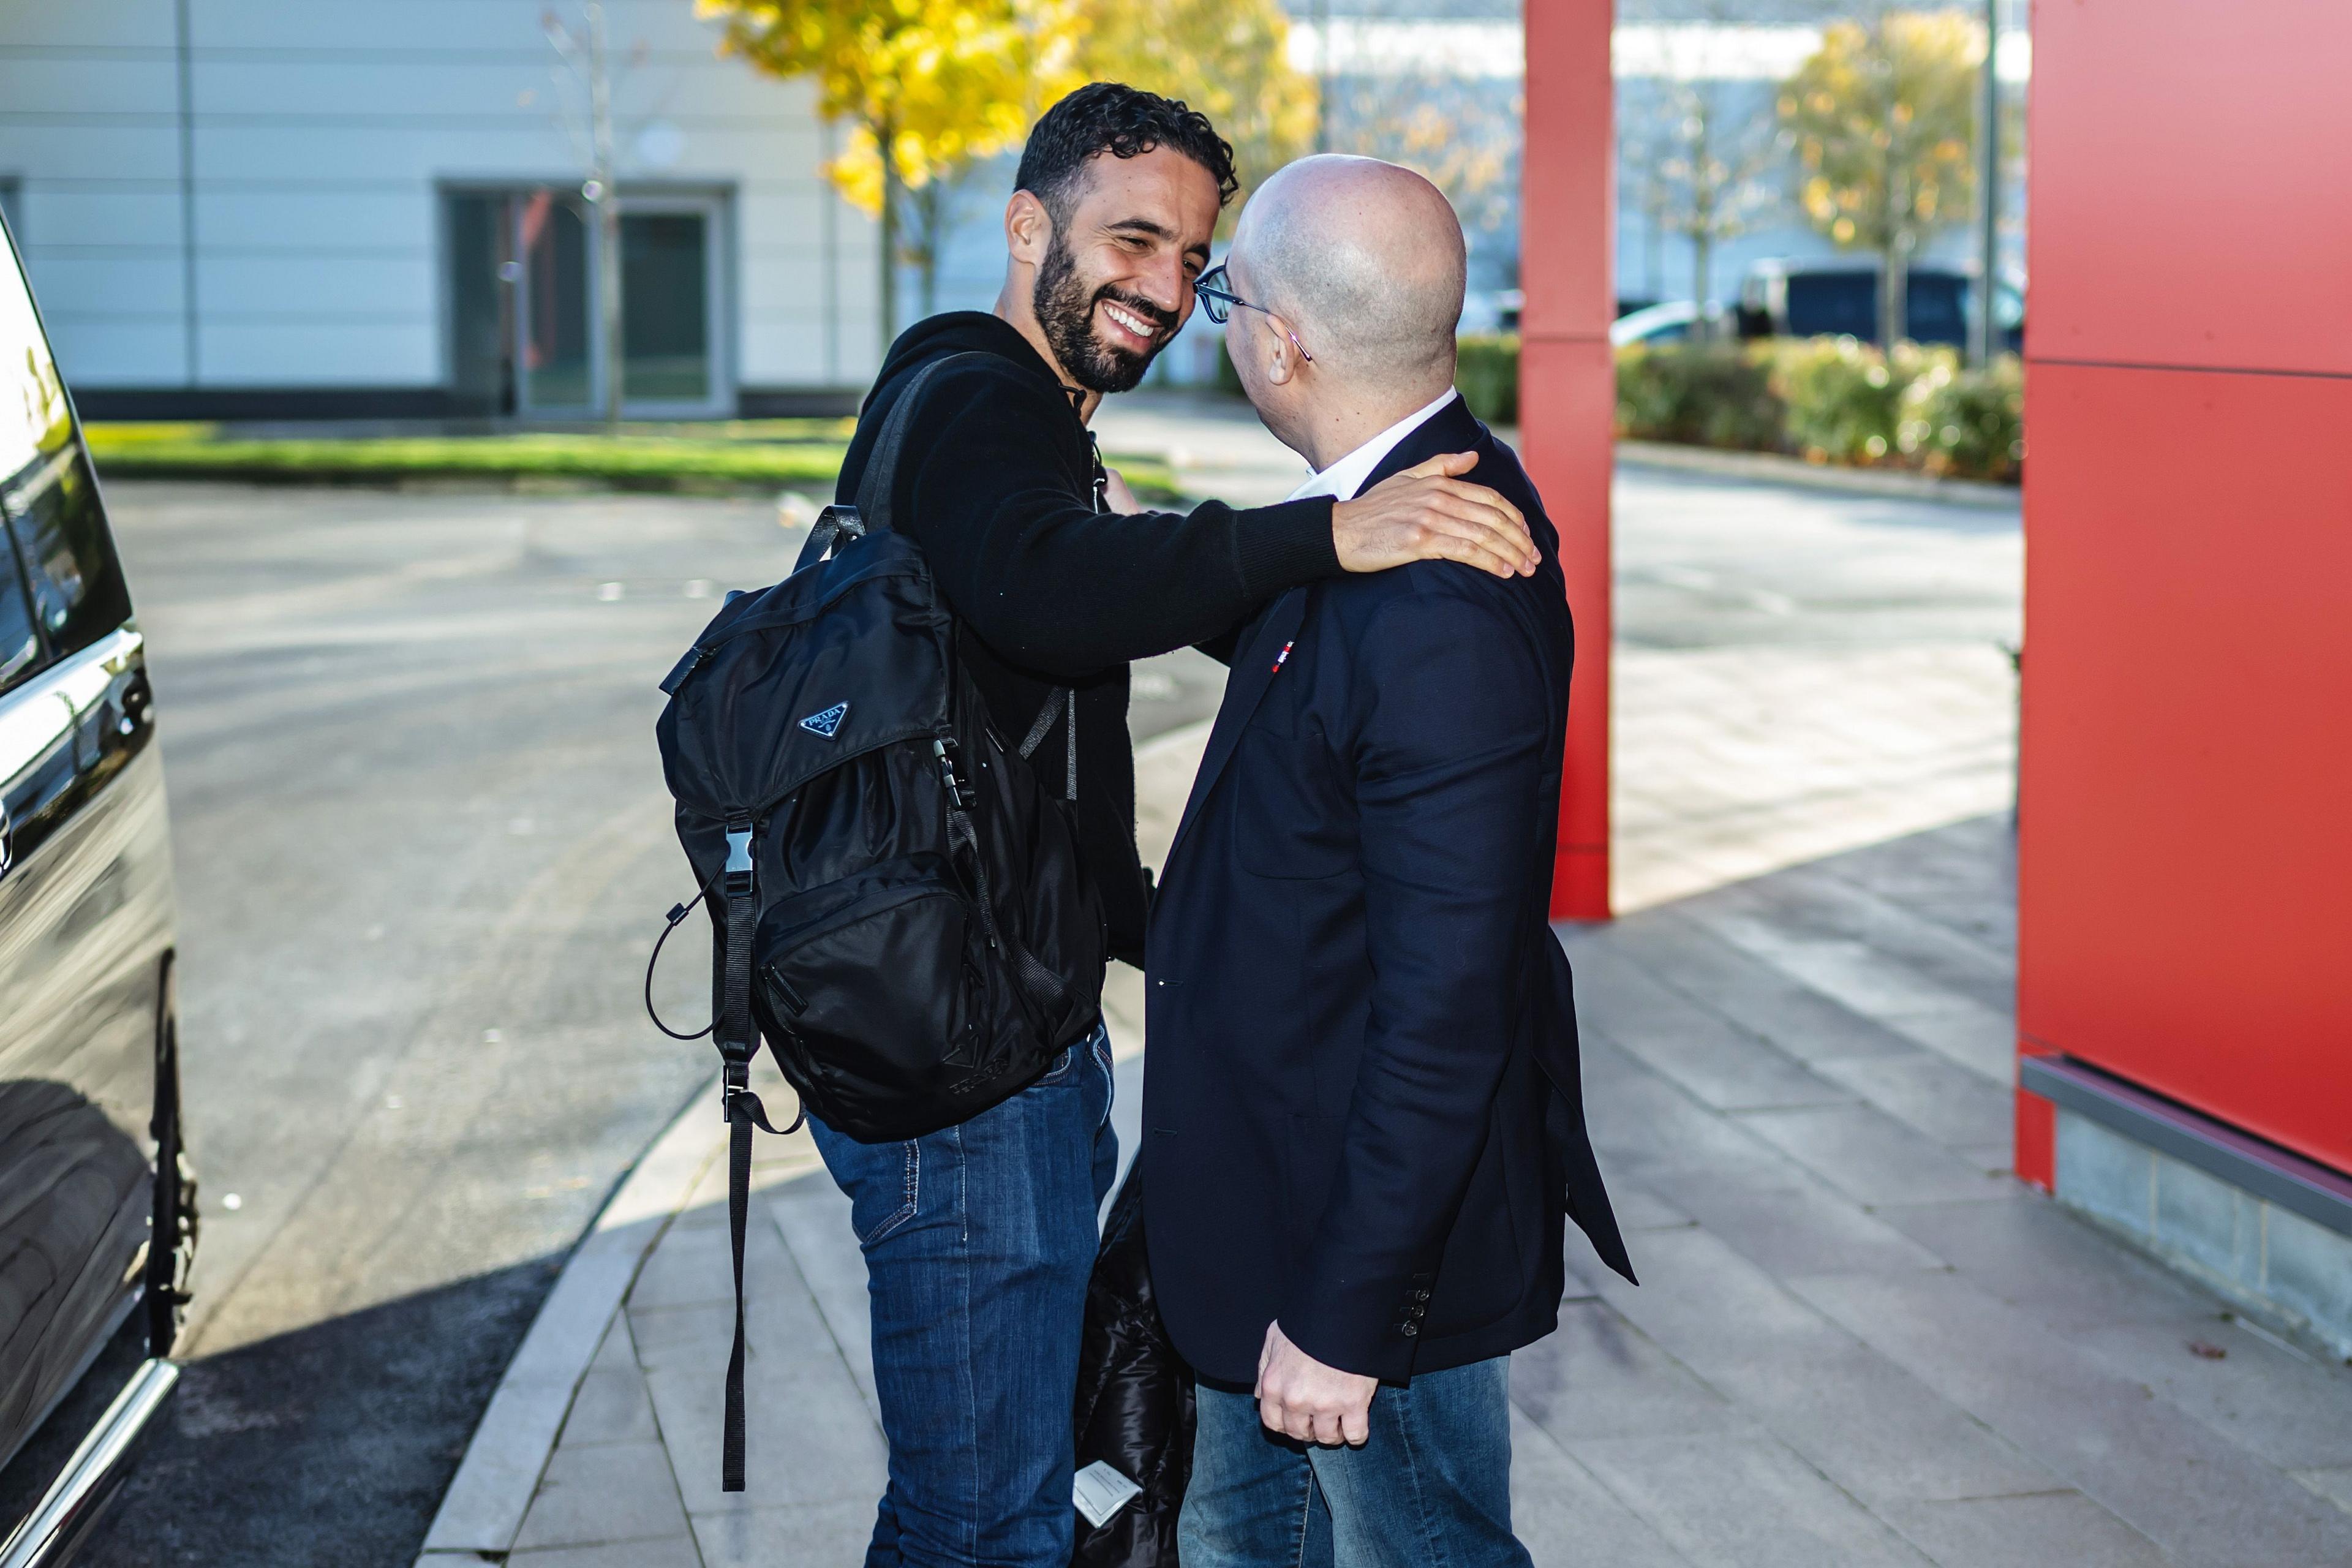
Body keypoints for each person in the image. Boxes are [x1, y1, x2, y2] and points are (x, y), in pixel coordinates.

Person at [805, 86, 1540, 1568]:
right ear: (1026, 227)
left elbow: (1093, 678)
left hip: (1011, 1025)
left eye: (1195, 259)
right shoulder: (970, 396)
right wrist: (1321, 533)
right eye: (1129, 237)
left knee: (1023, 1494)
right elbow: (1048, 590)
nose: (1161, 286)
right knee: (984, 1514)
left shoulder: (1033, 427)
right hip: (959, 1065)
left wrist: (1164, 924)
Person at [1139, 155, 1637, 1567]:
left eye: (1225, 291)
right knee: (1249, 1542)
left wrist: (1349, 1317)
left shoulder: (1438, 590)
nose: (1219, 316)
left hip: (1356, 1262)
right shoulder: (1398, 507)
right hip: (1273, 1211)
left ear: (1282, 341)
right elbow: (1310, 669)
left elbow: (1449, 1001)